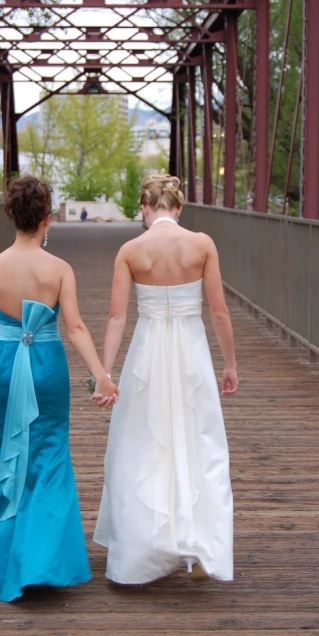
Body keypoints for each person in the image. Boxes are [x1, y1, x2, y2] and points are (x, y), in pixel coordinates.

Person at [0, 175, 118, 602]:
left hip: (5, 366)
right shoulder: (59, 269)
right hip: (46, 367)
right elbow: (75, 327)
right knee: (49, 453)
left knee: (6, 452)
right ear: (47, 219)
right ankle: (41, 561)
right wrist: (100, 373)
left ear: (12, 217)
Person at [93, 173, 238, 584]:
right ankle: (198, 542)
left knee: (143, 443)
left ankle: (144, 547)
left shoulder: (131, 250)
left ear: (144, 207)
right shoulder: (202, 244)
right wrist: (230, 364)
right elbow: (220, 312)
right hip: (191, 353)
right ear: (178, 207)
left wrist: (105, 372)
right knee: (199, 441)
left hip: (148, 354)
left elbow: (117, 316)